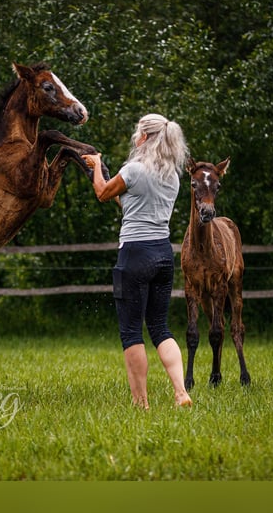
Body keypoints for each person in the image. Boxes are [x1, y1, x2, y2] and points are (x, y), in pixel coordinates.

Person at [82, 113, 193, 409]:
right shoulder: (172, 175)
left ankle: (140, 402)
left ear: (144, 136)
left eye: (137, 133)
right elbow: (130, 204)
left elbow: (104, 193)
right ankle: (181, 392)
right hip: (163, 254)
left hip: (133, 254)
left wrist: (95, 167)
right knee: (159, 326)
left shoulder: (133, 169)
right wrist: (105, 176)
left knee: (131, 331)